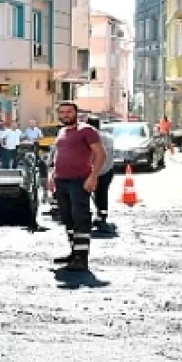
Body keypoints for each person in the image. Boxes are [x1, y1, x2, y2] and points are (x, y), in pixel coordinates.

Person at [46, 102, 106, 271]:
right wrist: (52, 176)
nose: (66, 115)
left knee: (80, 218)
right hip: (61, 181)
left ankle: (81, 258)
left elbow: (100, 153)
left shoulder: (87, 131)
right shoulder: (61, 132)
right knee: (67, 218)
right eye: (62, 112)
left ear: (76, 113)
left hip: (79, 181)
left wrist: (93, 177)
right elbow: (57, 156)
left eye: (69, 112)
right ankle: (74, 252)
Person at [87, 117, 116, 232]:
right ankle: (102, 217)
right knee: (102, 194)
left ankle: (87, 217)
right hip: (107, 170)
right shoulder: (108, 137)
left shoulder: (88, 137)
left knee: (85, 195)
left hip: (91, 171)